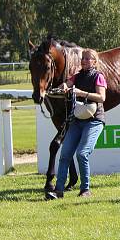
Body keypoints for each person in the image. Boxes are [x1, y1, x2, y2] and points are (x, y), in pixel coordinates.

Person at [46, 48, 107, 199]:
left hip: (94, 121)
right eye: (83, 58)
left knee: (82, 153)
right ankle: (58, 191)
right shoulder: (76, 76)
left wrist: (81, 93)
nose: (84, 61)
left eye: (87, 59)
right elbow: (65, 86)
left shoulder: (98, 76)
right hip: (77, 120)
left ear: (94, 61)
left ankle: (85, 190)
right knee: (65, 155)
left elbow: (101, 97)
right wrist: (58, 90)